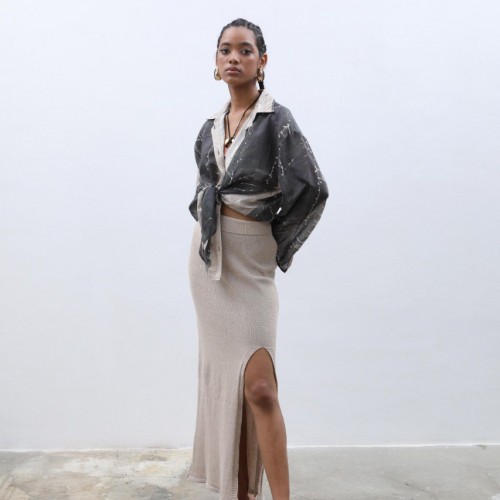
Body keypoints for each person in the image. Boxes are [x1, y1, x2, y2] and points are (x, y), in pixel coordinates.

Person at [186, 18, 329, 500]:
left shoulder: (277, 121)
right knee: (234, 387)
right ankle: (241, 492)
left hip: (251, 265)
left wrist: (273, 243)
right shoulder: (209, 128)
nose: (234, 58)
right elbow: (203, 192)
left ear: (261, 61)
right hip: (209, 266)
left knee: (262, 389)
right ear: (216, 61)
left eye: (245, 50)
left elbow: (312, 189)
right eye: (225, 50)